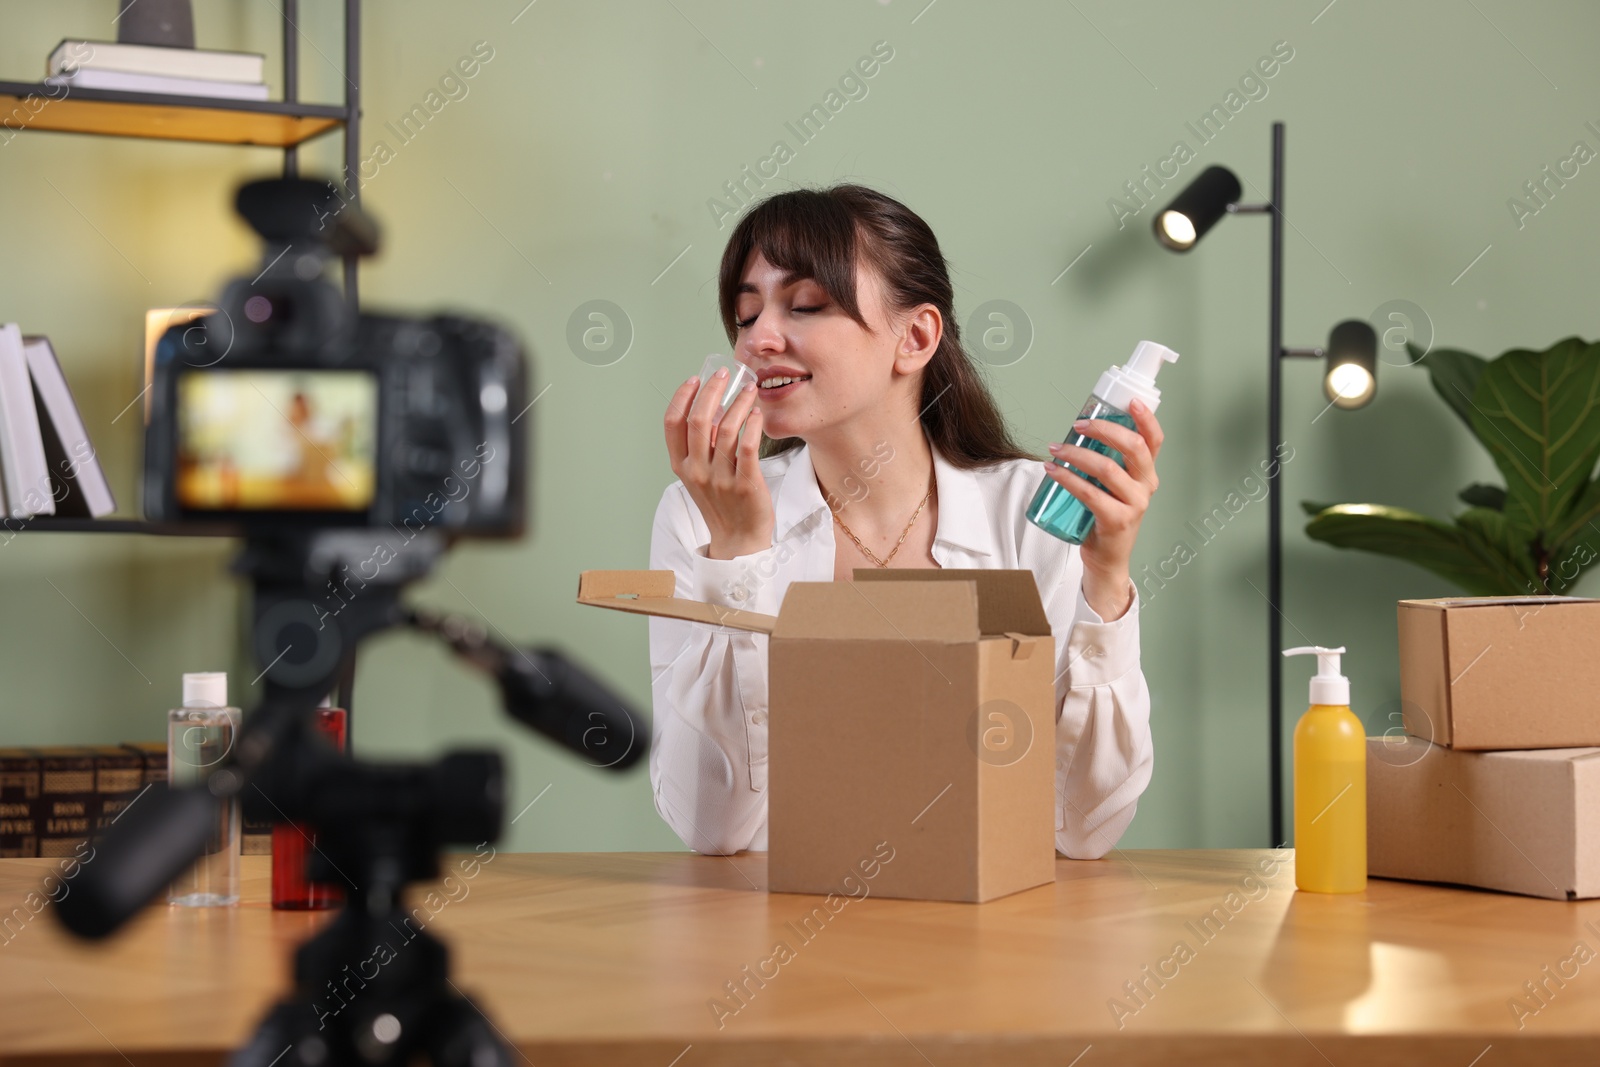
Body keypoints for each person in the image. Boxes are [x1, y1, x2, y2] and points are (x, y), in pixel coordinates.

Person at [648, 184, 1163, 858]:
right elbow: (712, 827)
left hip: (988, 936)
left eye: (805, 305)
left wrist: (1107, 582)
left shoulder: (1033, 515)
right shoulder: (698, 513)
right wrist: (738, 556)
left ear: (914, 337)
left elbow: (1084, 827)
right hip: (778, 937)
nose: (758, 341)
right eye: (746, 316)